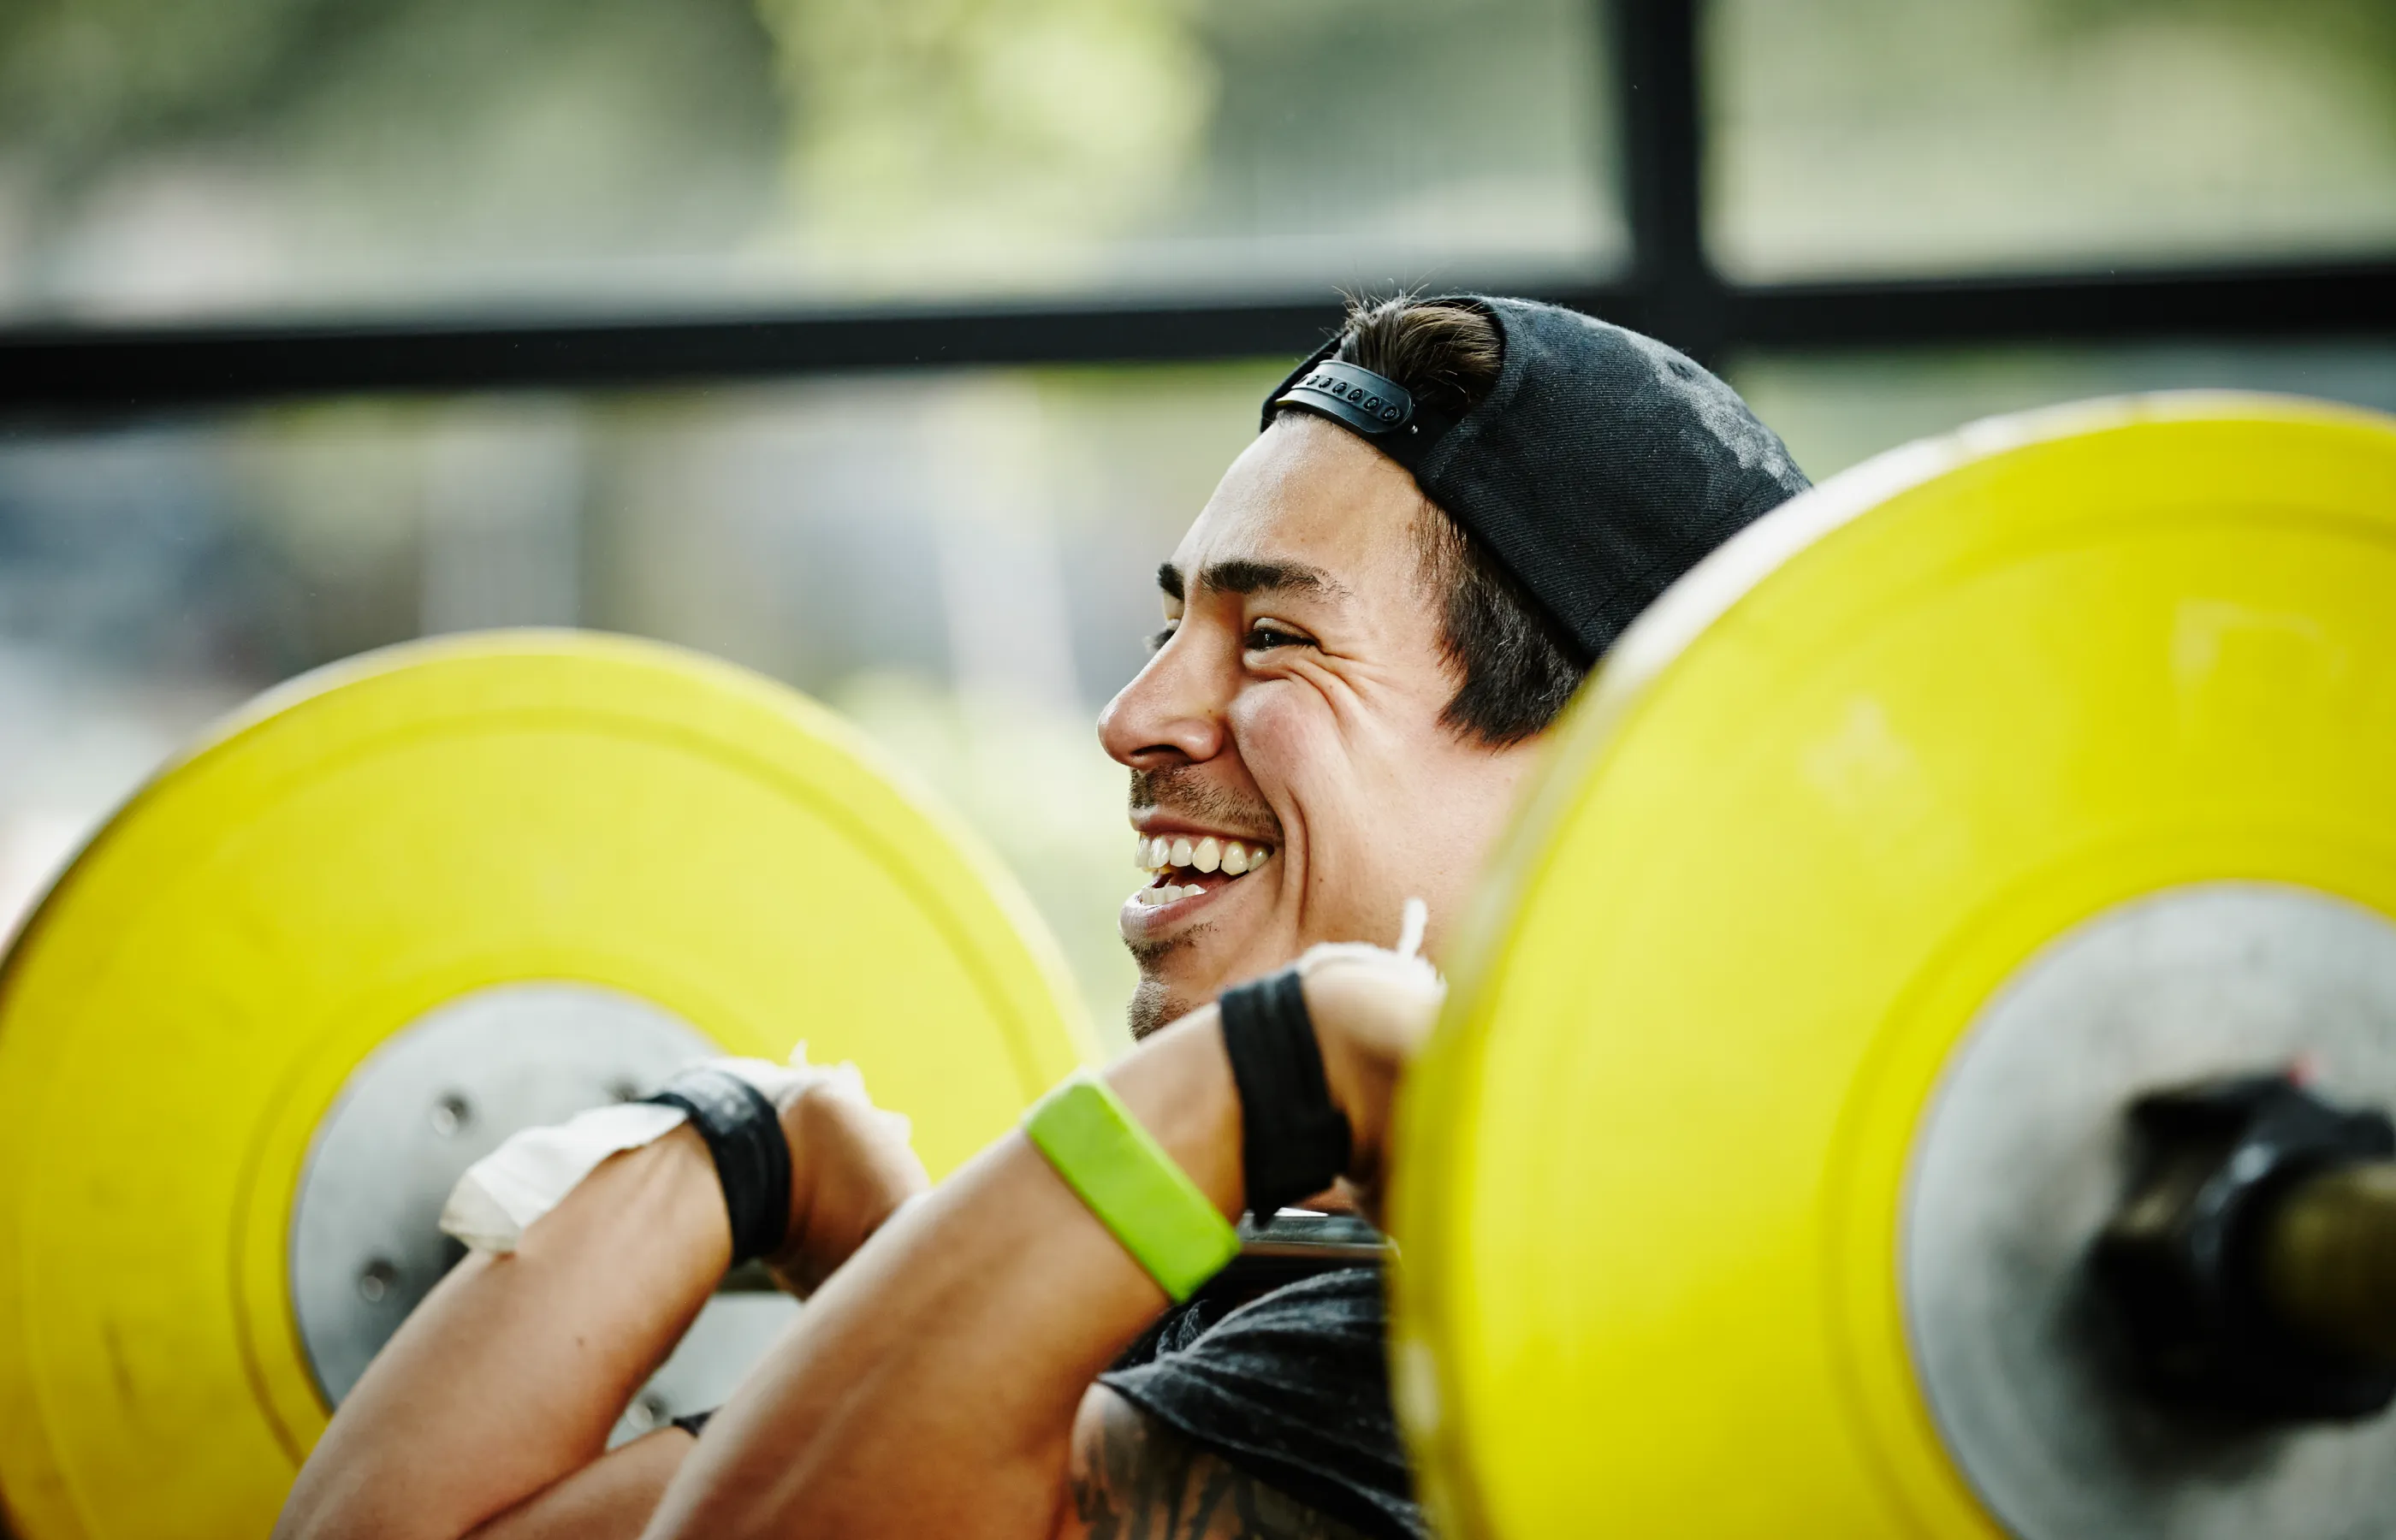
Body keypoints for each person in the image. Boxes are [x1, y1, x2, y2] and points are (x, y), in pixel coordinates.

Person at [273, 293, 1810, 1540]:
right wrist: (775, 1156)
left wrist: (1281, 1064)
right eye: (1170, 626)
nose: (1134, 715)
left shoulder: (1441, 1357)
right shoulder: (1266, 1285)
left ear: (1598, 779)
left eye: (1272, 637)